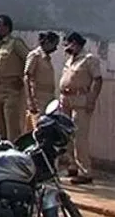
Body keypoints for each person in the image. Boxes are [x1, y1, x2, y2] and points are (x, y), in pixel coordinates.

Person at [59, 32, 103, 185]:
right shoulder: (70, 60)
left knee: (79, 136)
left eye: (68, 44)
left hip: (80, 100)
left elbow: (97, 80)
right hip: (66, 99)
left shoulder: (89, 59)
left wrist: (91, 100)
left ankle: (85, 171)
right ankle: (72, 165)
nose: (66, 47)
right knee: (66, 135)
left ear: (76, 43)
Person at [0, 14, 30, 141]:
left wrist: (23, 78)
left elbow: (30, 60)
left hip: (10, 90)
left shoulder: (15, 43)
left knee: (12, 128)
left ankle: (13, 155)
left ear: (7, 28)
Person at [24, 31, 60, 131]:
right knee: (38, 128)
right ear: (47, 42)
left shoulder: (47, 58)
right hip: (38, 100)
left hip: (48, 98)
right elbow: (27, 77)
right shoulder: (35, 55)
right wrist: (30, 101)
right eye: (54, 45)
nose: (55, 48)